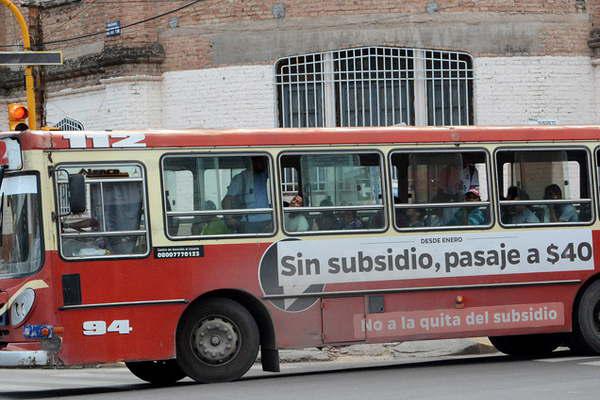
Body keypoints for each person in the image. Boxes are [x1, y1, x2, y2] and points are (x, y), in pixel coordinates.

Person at [223, 156, 272, 233]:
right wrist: (229, 218)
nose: (262, 163)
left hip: (267, 220)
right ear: (250, 162)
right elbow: (227, 199)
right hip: (249, 222)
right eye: (259, 161)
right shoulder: (240, 178)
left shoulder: (263, 174)